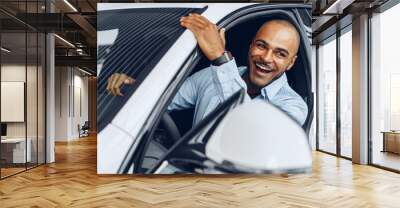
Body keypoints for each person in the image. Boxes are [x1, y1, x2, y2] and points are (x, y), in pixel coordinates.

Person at [106, 13, 307, 126]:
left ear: (291, 62)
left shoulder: (294, 107)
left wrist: (220, 58)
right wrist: (130, 86)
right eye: (261, 45)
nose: (266, 58)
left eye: (280, 54)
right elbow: (161, 100)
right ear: (251, 45)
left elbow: (250, 129)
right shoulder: (209, 77)